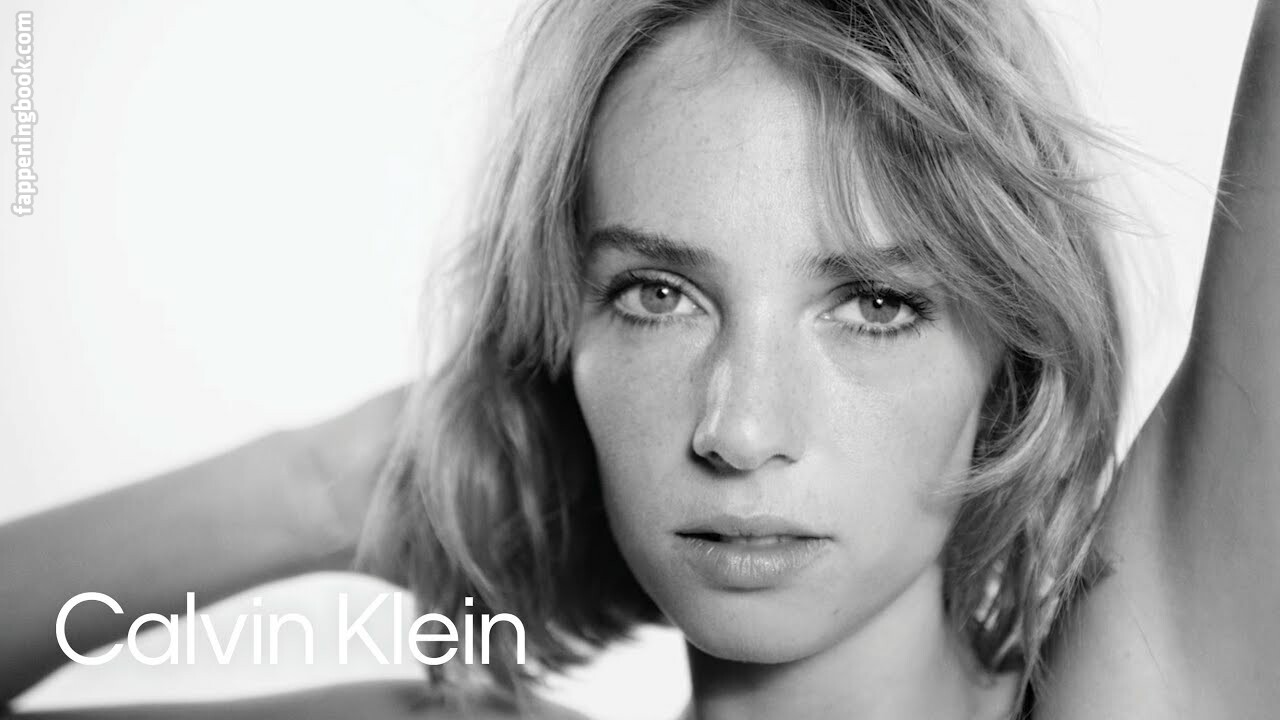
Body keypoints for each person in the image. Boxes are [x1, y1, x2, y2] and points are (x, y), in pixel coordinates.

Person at [1, 1, 1276, 719]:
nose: (738, 426)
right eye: (656, 296)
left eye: (875, 304)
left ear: (1008, 363)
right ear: (563, 341)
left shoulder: (1147, 685)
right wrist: (339, 481)